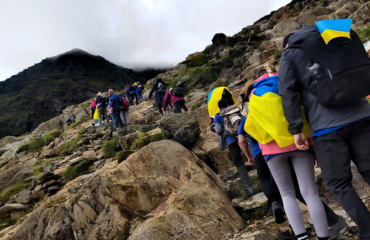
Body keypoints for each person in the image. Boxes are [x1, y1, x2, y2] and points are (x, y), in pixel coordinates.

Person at [279, 30, 370, 239]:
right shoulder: (335, 38)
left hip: (327, 128)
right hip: (363, 116)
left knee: (338, 182)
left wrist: (296, 130)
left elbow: (288, 93)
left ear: (288, 44)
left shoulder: (290, 54)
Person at [214, 99, 256, 204]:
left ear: (219, 107)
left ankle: (249, 188)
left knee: (239, 163)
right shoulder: (234, 110)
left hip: (231, 141)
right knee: (253, 156)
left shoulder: (218, 115)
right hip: (242, 137)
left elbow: (218, 130)